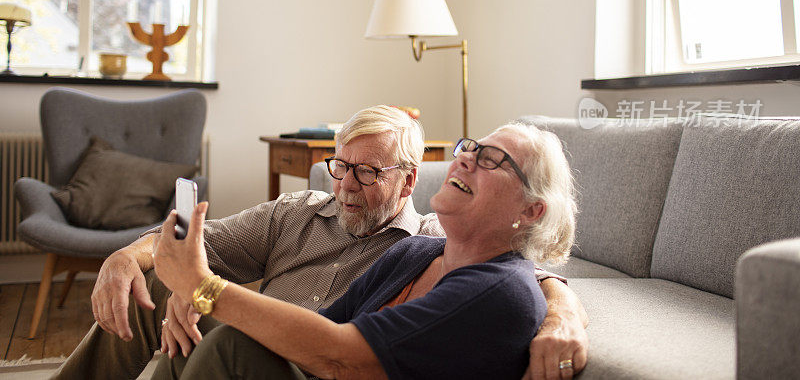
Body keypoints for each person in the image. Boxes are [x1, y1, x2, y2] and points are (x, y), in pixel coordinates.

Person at [55, 107, 587, 380]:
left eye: (368, 172)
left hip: (302, 358)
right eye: (340, 167)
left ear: (408, 182)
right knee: (161, 298)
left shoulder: (428, 236)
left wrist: (561, 307)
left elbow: (518, 274)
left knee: (226, 342)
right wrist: (132, 255)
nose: (346, 184)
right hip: (282, 348)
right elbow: (193, 241)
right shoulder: (302, 215)